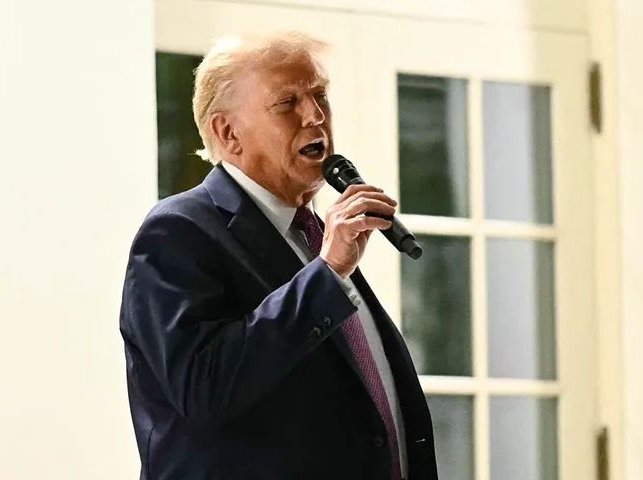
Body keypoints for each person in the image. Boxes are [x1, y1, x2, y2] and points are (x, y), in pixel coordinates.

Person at [119, 30, 438, 480]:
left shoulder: (313, 235)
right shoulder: (179, 231)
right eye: (287, 104)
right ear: (228, 133)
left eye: (319, 95)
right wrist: (327, 275)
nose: (315, 116)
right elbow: (203, 389)